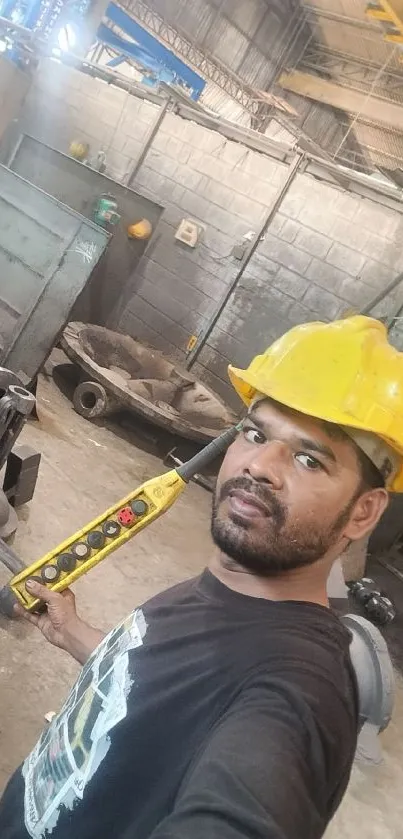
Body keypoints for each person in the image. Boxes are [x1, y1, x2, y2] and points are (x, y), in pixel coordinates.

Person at [1, 315, 402, 839]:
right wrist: (73, 632)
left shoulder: (298, 691)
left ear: (363, 513)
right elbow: (164, 689)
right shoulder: (229, 587)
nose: (260, 465)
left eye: (308, 459)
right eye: (257, 433)